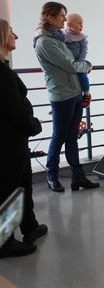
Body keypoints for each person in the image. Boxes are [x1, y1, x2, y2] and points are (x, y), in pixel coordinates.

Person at [33, 1, 100, 192]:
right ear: (50, 17)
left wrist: (83, 88)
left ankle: (78, 177)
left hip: (75, 93)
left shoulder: (58, 38)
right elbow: (70, 65)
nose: (64, 19)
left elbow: (72, 62)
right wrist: (87, 65)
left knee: (72, 137)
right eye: (62, 15)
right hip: (62, 95)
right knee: (59, 137)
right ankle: (52, 176)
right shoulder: (45, 42)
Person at [0, 20, 47, 258]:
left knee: (23, 184)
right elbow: (14, 110)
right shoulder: (2, 73)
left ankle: (30, 226)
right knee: (9, 189)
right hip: (9, 140)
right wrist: (34, 125)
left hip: (15, 139)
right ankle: (5, 241)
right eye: (11, 32)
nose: (16, 36)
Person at [63, 13, 91, 108]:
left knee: (82, 76)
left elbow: (84, 50)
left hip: (79, 62)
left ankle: (87, 94)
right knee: (65, 80)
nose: (81, 26)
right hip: (69, 62)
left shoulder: (81, 37)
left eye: (82, 24)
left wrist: (80, 62)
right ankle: (63, 102)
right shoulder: (64, 35)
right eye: (79, 23)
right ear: (69, 25)